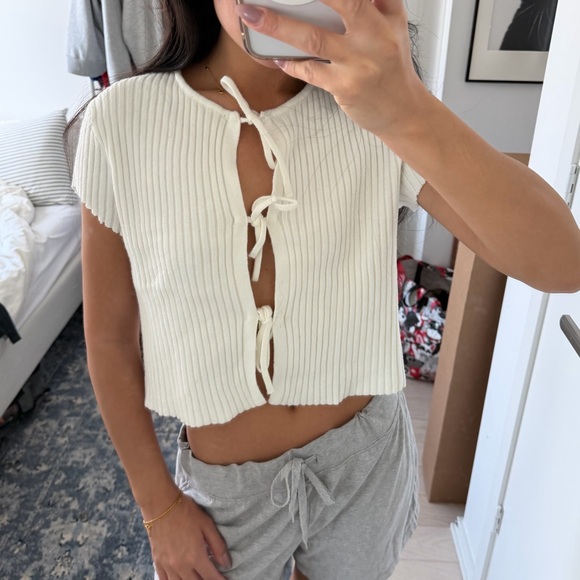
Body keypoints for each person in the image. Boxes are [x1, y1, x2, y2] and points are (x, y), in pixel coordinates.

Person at [72, 0, 580, 578]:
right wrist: (158, 507)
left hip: (367, 463)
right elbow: (110, 340)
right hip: (226, 493)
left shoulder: (380, 111)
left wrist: (404, 107)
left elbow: (562, 263)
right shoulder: (120, 122)